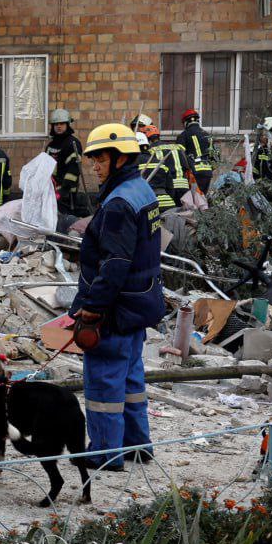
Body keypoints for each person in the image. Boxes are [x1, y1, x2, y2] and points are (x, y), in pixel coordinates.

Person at [68, 123, 166, 470]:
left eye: (99, 158)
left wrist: (92, 307)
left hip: (116, 308)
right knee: (130, 377)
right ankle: (137, 445)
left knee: (105, 380)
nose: (94, 165)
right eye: (92, 159)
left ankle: (105, 453)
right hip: (139, 302)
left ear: (120, 158)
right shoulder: (142, 190)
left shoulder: (118, 203)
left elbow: (115, 262)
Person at [140, 125, 192, 211]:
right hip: (183, 186)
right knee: (182, 215)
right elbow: (187, 166)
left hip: (168, 188)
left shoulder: (151, 151)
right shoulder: (177, 147)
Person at [46, 109, 83, 215]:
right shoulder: (50, 146)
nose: (58, 126)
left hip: (67, 194)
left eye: (62, 123)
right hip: (50, 192)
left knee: (65, 221)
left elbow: (74, 170)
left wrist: (63, 191)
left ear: (67, 124)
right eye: (56, 124)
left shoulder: (73, 143)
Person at [177, 109, 216, 194]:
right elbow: (216, 157)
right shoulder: (207, 135)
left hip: (193, 172)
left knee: (194, 199)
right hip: (207, 172)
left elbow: (180, 157)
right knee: (202, 198)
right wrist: (209, 169)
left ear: (185, 122)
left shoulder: (183, 136)